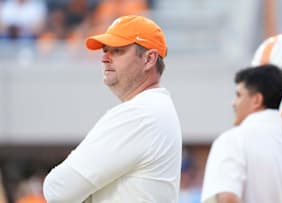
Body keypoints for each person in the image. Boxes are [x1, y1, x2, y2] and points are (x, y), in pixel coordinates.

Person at [43, 15, 182, 203]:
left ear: (149, 59)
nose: (105, 58)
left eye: (118, 50)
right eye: (105, 50)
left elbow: (57, 189)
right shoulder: (154, 109)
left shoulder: (140, 113)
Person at [201, 65, 282, 203]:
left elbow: (227, 198)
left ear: (257, 100)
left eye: (239, 95)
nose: (233, 103)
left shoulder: (232, 140)